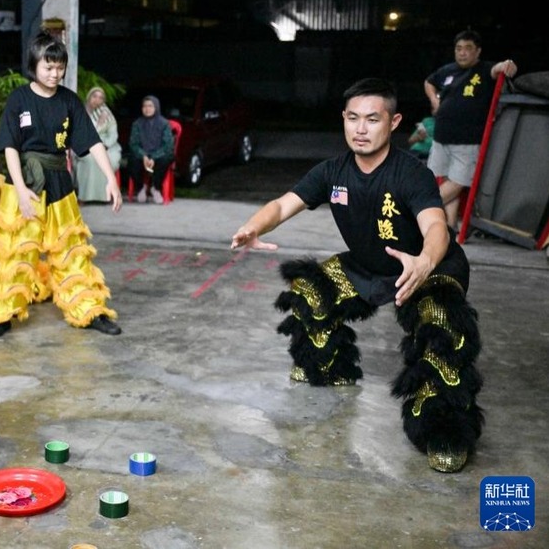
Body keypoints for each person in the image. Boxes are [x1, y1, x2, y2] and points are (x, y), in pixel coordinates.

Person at [231, 78, 483, 473]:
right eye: (353, 119)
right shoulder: (333, 172)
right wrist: (254, 226)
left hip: (427, 269)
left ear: (394, 122)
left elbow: (435, 225)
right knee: (313, 289)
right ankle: (332, 368)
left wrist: (425, 261)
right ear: (343, 120)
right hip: (367, 265)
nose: (360, 129)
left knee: (441, 330)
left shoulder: (410, 173)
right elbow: (283, 205)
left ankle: (443, 431)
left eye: (372, 119)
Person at [0, 30, 123, 339]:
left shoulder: (69, 101)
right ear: (34, 65)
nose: (54, 73)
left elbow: (93, 142)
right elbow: (9, 147)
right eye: (48, 67)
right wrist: (19, 189)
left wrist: (111, 179)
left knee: (72, 250)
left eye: (59, 67)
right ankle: (2, 315)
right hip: (25, 182)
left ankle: (89, 310)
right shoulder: (20, 98)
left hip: (59, 183)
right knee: (15, 251)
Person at [424, 30, 517, 227]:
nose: (462, 53)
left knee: (459, 181)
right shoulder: (447, 70)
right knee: (447, 179)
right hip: (442, 136)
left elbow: (500, 68)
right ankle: (448, 227)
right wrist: (434, 99)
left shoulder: (484, 70)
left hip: (467, 140)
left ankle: (420, 208)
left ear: (478, 51)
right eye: (459, 48)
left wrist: (507, 64)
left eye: (468, 49)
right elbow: (429, 82)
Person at [73, 86, 122, 203]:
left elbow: (113, 135)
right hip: (85, 145)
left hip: (107, 146)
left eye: (100, 98)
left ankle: (105, 196)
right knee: (89, 159)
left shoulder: (107, 114)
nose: (97, 100)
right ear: (89, 97)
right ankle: (84, 197)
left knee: (107, 159)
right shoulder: (80, 112)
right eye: (94, 96)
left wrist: (104, 146)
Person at [128, 95, 174, 204]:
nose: (147, 109)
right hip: (142, 155)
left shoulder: (164, 123)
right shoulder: (137, 124)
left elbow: (168, 145)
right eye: (144, 106)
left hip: (158, 154)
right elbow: (133, 144)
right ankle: (141, 188)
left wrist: (153, 157)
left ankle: (155, 188)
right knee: (132, 160)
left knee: (166, 158)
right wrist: (143, 155)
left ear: (156, 107)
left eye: (150, 106)